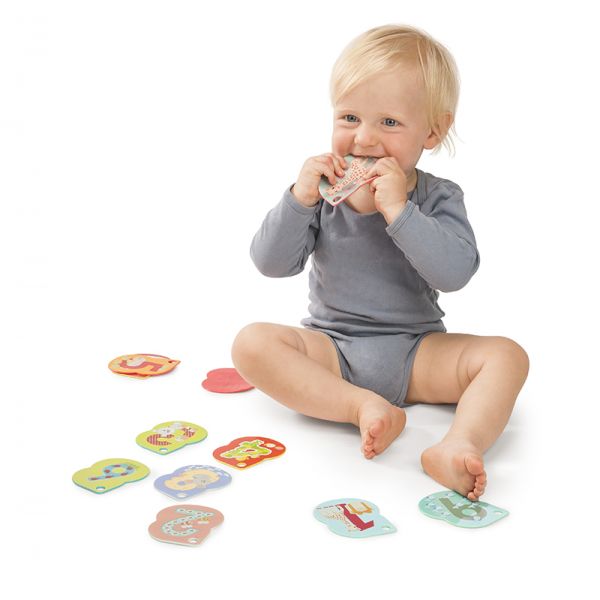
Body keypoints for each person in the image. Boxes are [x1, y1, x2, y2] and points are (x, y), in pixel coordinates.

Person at [231, 24, 529, 501]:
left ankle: (458, 444)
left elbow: (455, 274)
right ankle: (359, 406)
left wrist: (399, 211)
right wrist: (298, 199)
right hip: (332, 348)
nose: (364, 138)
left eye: (389, 122)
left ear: (432, 131)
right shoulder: (323, 193)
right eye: (349, 117)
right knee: (251, 343)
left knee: (507, 356)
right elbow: (271, 264)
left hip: (417, 352)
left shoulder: (438, 196)